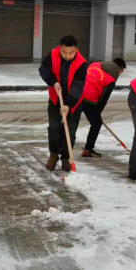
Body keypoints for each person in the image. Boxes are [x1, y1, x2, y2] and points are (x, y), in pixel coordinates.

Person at [38, 35, 88, 172]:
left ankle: (65, 157)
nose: (67, 55)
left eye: (71, 53)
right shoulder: (53, 55)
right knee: (54, 128)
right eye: (64, 52)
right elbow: (43, 70)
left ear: (76, 49)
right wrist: (53, 82)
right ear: (60, 48)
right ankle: (54, 154)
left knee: (70, 130)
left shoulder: (81, 63)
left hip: (73, 102)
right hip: (56, 98)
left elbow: (78, 86)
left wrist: (68, 105)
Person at [80, 58, 127, 158]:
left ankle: (60, 145)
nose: (120, 73)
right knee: (96, 124)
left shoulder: (94, 64)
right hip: (89, 100)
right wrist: (97, 113)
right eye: (121, 71)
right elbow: (104, 98)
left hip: (76, 95)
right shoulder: (111, 78)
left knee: (70, 122)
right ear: (118, 68)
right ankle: (88, 150)